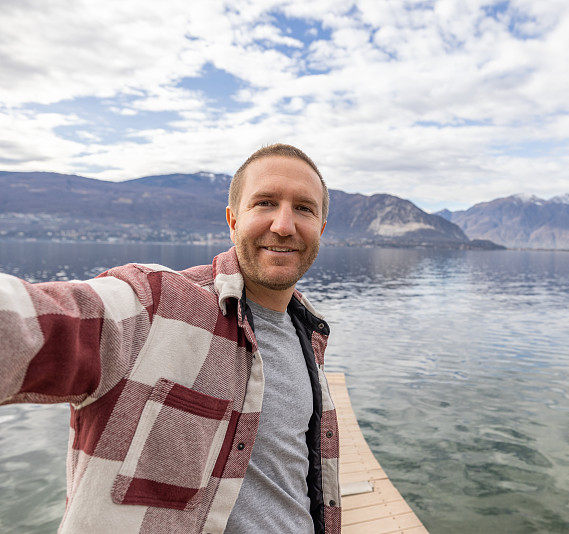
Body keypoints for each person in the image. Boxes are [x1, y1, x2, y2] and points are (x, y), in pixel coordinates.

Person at [0, 144, 341, 534]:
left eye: (304, 208)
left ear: (321, 230)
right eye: (264, 203)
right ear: (232, 221)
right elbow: (37, 322)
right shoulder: (159, 304)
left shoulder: (307, 332)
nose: (284, 225)